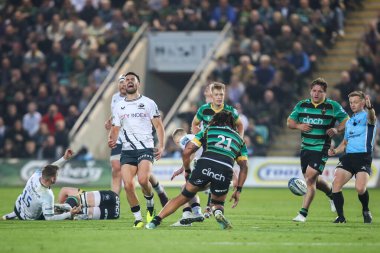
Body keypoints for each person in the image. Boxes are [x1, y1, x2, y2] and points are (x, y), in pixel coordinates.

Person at [146, 111, 249, 230]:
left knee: (183, 196)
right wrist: (239, 189)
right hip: (225, 171)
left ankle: (154, 222)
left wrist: (188, 170)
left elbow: (187, 151)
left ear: (216, 120)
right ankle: (218, 212)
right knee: (218, 203)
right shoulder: (240, 140)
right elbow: (244, 167)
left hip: (205, 165)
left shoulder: (208, 130)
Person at [287, 77, 349, 222]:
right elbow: (289, 122)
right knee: (314, 179)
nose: (316, 94)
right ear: (310, 91)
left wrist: (337, 129)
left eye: (320, 91)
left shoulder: (332, 106)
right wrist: (298, 126)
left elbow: (347, 120)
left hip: (321, 148)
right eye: (314, 91)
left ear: (325, 93)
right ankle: (332, 195)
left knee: (309, 178)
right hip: (305, 148)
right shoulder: (302, 105)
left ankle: (303, 214)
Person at [108, 72, 165, 228]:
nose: (129, 82)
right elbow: (115, 127)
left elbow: (159, 126)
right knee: (127, 185)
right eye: (126, 80)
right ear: (124, 85)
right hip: (127, 150)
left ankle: (150, 204)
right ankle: (138, 219)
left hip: (145, 147)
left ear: (138, 83)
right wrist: (111, 138)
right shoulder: (119, 106)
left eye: (132, 79)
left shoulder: (148, 103)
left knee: (142, 180)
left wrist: (161, 145)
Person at [191, 82, 244, 216]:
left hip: (225, 149)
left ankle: (211, 206)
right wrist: (198, 137)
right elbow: (195, 123)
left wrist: (239, 140)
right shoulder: (204, 109)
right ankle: (211, 206)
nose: (219, 97)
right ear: (211, 95)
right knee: (210, 174)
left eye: (221, 94)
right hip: (208, 148)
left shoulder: (231, 111)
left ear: (224, 95)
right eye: (216, 94)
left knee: (219, 174)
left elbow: (240, 126)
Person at [328, 91, 377, 223]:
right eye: (351, 102)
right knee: (336, 185)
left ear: (362, 102)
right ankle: (341, 217)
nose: (352, 105)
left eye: (355, 102)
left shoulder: (368, 116)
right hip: (349, 157)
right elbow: (345, 143)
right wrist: (335, 151)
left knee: (360, 188)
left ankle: (366, 210)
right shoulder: (349, 122)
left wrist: (370, 108)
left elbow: (372, 118)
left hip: (363, 157)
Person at [2, 149, 81, 220]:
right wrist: (69, 214)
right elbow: (49, 218)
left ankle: (9, 216)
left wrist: (64, 158)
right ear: (53, 179)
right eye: (57, 175)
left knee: (59, 206)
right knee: (66, 210)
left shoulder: (36, 175)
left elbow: (50, 168)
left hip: (18, 206)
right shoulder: (47, 195)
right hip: (28, 218)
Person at [169, 128, 204, 226]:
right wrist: (182, 168)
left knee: (185, 189)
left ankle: (187, 215)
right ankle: (196, 213)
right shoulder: (193, 137)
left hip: (204, 166)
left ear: (176, 140)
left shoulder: (183, 139)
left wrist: (187, 170)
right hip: (211, 165)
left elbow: (190, 152)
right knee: (188, 188)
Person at [55, 187, 120, 220]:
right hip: (113, 207)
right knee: (78, 200)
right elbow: (64, 190)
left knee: (74, 215)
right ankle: (68, 207)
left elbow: (64, 190)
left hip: (113, 213)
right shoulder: (80, 193)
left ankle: (68, 210)